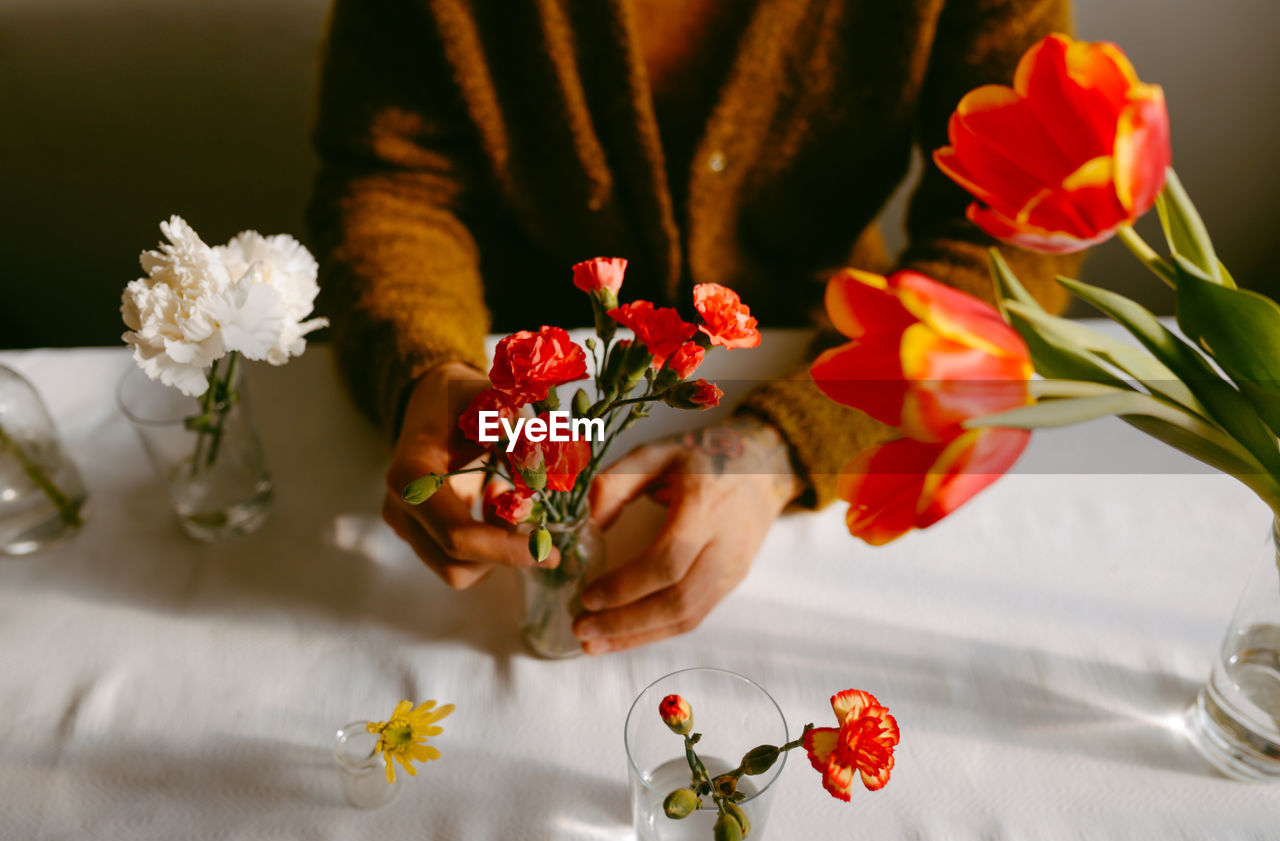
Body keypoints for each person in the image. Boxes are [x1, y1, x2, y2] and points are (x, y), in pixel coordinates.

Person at [307, 0, 1077, 654]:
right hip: (513, 363)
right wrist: (426, 367)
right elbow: (391, 180)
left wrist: (783, 449)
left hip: (820, 361)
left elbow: (1010, 239)